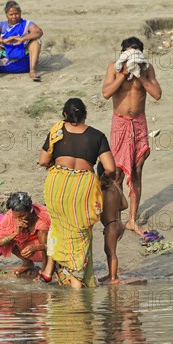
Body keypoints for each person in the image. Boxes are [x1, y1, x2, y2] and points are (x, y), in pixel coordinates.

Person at [39, 98, 118, 289]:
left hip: (57, 182)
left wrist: (57, 165)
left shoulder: (56, 130)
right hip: (84, 184)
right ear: (85, 115)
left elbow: (43, 161)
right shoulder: (97, 135)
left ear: (65, 115)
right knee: (80, 231)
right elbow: (110, 168)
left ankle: (49, 271)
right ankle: (76, 281)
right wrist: (104, 180)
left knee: (58, 225)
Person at [102, 36, 162, 243]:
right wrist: (124, 74)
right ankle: (116, 218)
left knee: (136, 171)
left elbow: (157, 94)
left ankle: (132, 219)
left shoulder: (147, 68)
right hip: (119, 124)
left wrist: (141, 76)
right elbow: (106, 93)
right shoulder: (114, 68)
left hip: (138, 124)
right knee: (117, 172)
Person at [0, 0, 43, 83]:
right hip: (5, 57)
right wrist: (3, 40)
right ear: (6, 15)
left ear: (20, 13)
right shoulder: (1, 24)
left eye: (16, 14)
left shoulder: (27, 23)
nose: (14, 16)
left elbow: (38, 32)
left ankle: (32, 71)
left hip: (23, 56)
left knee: (36, 41)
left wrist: (23, 39)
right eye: (11, 14)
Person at [0, 192, 50, 277]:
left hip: (47, 249)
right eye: (16, 216)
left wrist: (36, 247)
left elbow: (55, 243)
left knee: (42, 230)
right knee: (7, 239)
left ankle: (45, 269)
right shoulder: (10, 217)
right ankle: (27, 263)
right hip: (25, 249)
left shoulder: (43, 216)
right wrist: (15, 233)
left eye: (22, 216)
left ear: (30, 210)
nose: (19, 219)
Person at [97, 162, 128, 284]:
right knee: (108, 250)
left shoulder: (101, 188)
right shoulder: (116, 187)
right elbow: (125, 205)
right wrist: (114, 208)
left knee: (111, 252)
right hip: (118, 223)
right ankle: (111, 274)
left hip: (111, 225)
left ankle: (113, 278)